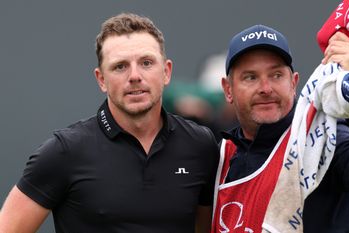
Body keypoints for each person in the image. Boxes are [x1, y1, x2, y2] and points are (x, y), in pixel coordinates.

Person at [0, 13, 219, 233]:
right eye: (120, 66)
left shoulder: (200, 145)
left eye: (146, 62)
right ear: (101, 79)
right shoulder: (64, 151)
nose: (135, 75)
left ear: (166, 72)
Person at [211, 24, 349, 233]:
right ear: (228, 90)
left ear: (294, 83)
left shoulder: (320, 139)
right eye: (251, 77)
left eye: (276, 75)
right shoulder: (218, 157)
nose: (265, 88)